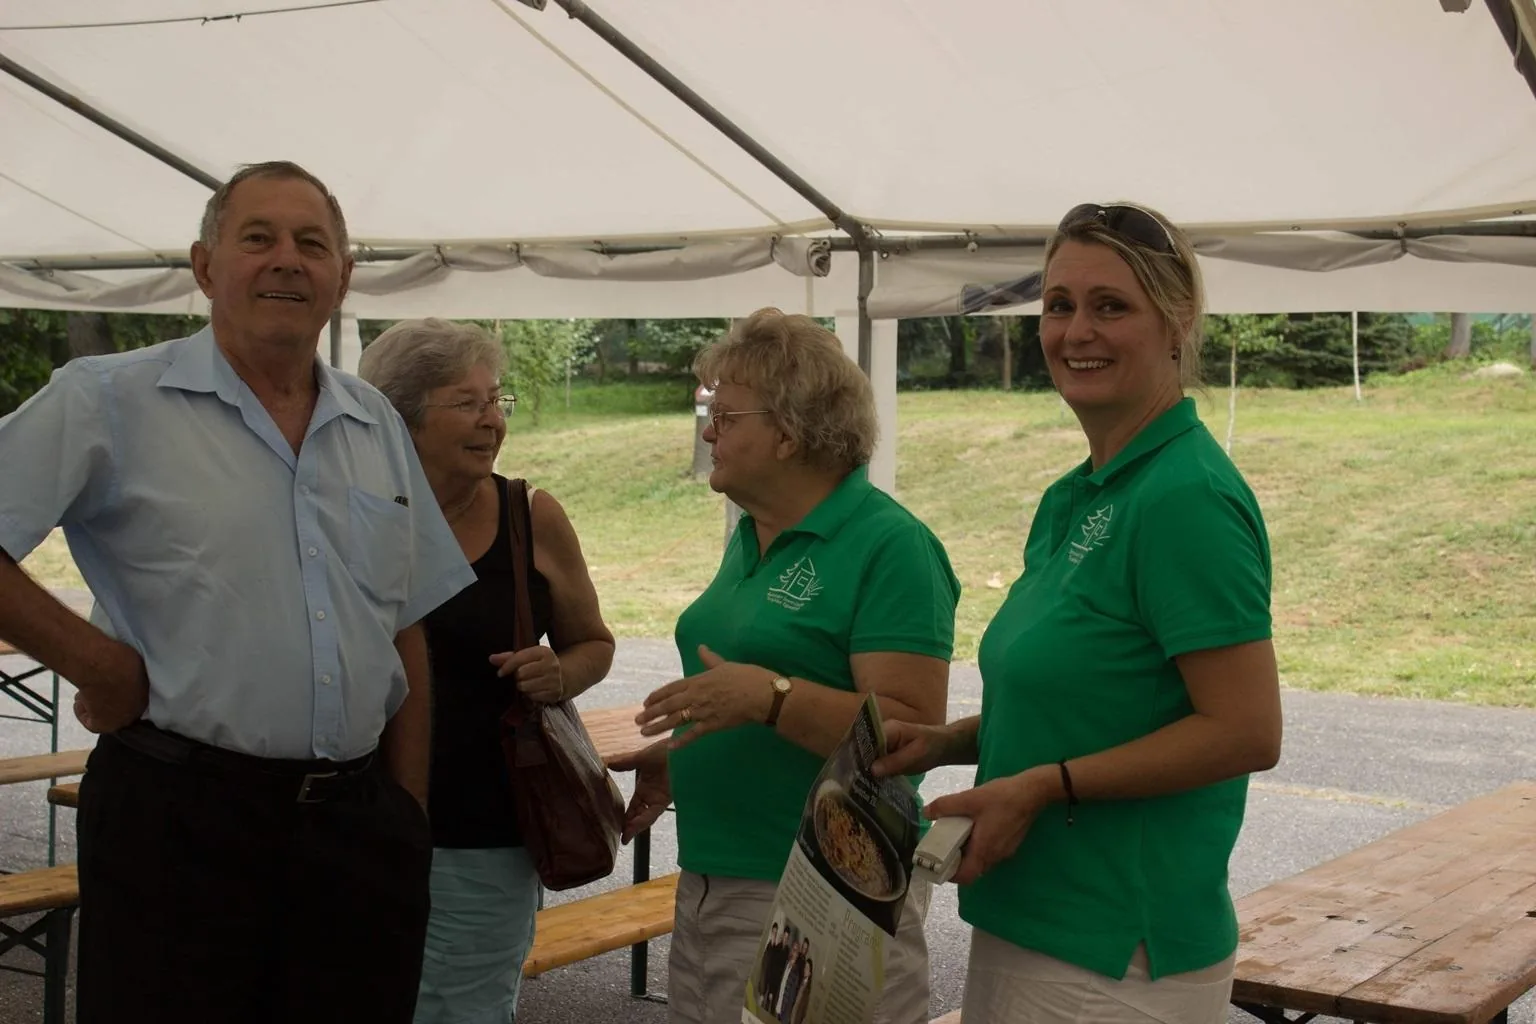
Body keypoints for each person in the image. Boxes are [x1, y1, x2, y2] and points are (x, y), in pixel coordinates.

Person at [0, 161, 476, 1023]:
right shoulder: (108, 399)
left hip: (358, 831)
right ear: (205, 266)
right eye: (258, 238)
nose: (287, 260)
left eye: (311, 243)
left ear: (344, 276)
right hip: (180, 821)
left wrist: (405, 810)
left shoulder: (374, 423)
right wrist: (95, 664)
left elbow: (402, 622)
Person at [874, 202, 1283, 1024]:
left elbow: (1245, 730)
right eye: (1059, 306)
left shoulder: (1185, 496)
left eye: (1110, 306)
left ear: (1178, 322)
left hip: (1118, 952)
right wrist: (956, 740)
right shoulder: (1082, 492)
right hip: (1037, 924)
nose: (1076, 331)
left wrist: (1042, 787)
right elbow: (1099, 695)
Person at [612, 308, 961, 1024]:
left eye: (726, 415)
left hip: (822, 896)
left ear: (790, 431)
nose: (709, 433)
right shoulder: (751, 535)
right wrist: (684, 758)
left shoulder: (887, 544)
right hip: (714, 882)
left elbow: (908, 731)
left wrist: (768, 697)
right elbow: (748, 690)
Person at [358, 318, 615, 1023]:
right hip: (350, 821)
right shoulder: (352, 515)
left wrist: (559, 673)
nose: (493, 420)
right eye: (467, 403)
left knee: (462, 1010)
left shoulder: (529, 514)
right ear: (401, 415)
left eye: (497, 400)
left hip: (484, 833)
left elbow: (593, 643)